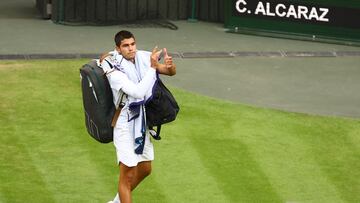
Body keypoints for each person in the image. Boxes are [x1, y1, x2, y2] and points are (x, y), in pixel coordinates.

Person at [101, 30, 176, 203]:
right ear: (118, 49)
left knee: (145, 168)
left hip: (140, 120)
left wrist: (170, 66)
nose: (130, 48)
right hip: (124, 123)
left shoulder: (142, 58)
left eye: (132, 44)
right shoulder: (112, 66)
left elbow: (169, 71)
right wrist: (152, 66)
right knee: (126, 176)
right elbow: (137, 91)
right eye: (126, 46)